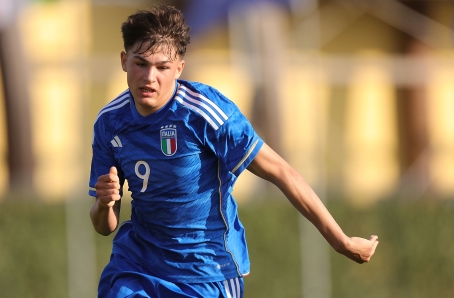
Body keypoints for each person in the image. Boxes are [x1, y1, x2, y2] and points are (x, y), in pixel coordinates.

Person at [88, 5, 379, 298]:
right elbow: (105, 226)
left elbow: (280, 171)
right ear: (125, 61)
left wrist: (340, 240)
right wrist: (104, 203)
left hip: (205, 273)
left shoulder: (205, 113)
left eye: (162, 67)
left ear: (179, 68)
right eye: (141, 63)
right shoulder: (109, 123)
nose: (150, 77)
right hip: (138, 266)